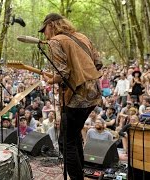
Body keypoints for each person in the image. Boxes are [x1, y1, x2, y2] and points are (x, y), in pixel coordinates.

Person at [39, 13, 102, 179]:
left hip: (76, 96)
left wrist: (51, 79)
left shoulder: (55, 41)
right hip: (93, 93)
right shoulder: (82, 36)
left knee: (65, 142)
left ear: (52, 25)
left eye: (44, 29)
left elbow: (63, 73)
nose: (44, 34)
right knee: (74, 136)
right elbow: (98, 62)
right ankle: (79, 173)